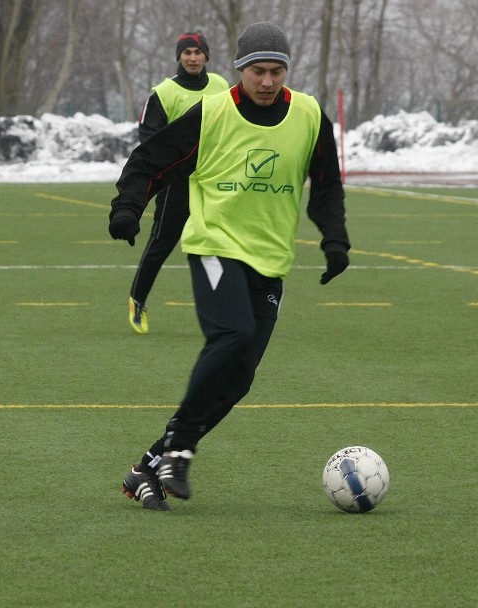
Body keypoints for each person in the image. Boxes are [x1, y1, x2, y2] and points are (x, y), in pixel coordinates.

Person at [109, 22, 350, 510]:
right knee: (233, 334)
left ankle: (148, 468)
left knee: (239, 376)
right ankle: (180, 444)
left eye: (276, 71)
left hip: (271, 258)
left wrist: (335, 240)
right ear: (240, 70)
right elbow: (150, 160)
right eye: (258, 71)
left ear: (287, 71)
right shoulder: (213, 112)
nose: (267, 81)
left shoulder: (308, 116)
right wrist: (128, 207)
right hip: (214, 245)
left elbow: (326, 183)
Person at [127, 31, 229, 334]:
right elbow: (149, 138)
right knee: (162, 243)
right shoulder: (164, 92)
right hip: (176, 182)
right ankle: (138, 300)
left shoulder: (222, 86)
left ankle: (224, 309)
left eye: (198, 52)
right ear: (179, 57)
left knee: (218, 244)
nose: (193, 58)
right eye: (187, 53)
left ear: (207, 56)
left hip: (213, 182)